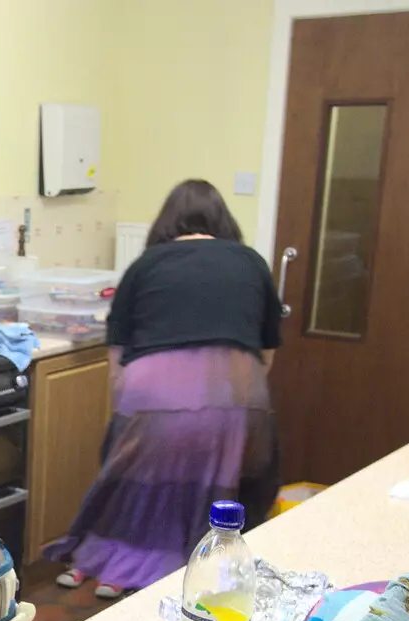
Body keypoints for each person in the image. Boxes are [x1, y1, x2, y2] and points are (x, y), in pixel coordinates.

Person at [47, 179, 281, 599]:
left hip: (151, 386)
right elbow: (266, 352)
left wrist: (125, 416)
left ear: (167, 222)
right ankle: (198, 570)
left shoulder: (146, 264)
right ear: (223, 220)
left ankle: (107, 565)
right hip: (236, 387)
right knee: (218, 481)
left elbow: (117, 355)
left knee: (130, 481)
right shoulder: (251, 262)